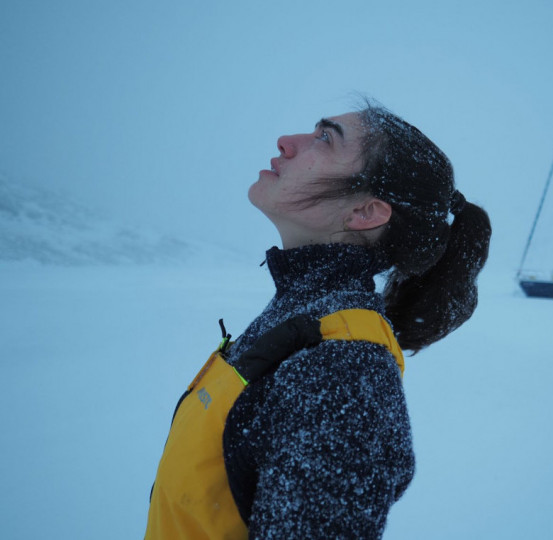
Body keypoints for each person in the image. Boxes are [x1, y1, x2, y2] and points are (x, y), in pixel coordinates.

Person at [145, 102, 491, 539]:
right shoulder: (303, 313)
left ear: (366, 212)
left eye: (326, 138)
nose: (286, 142)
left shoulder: (341, 370)